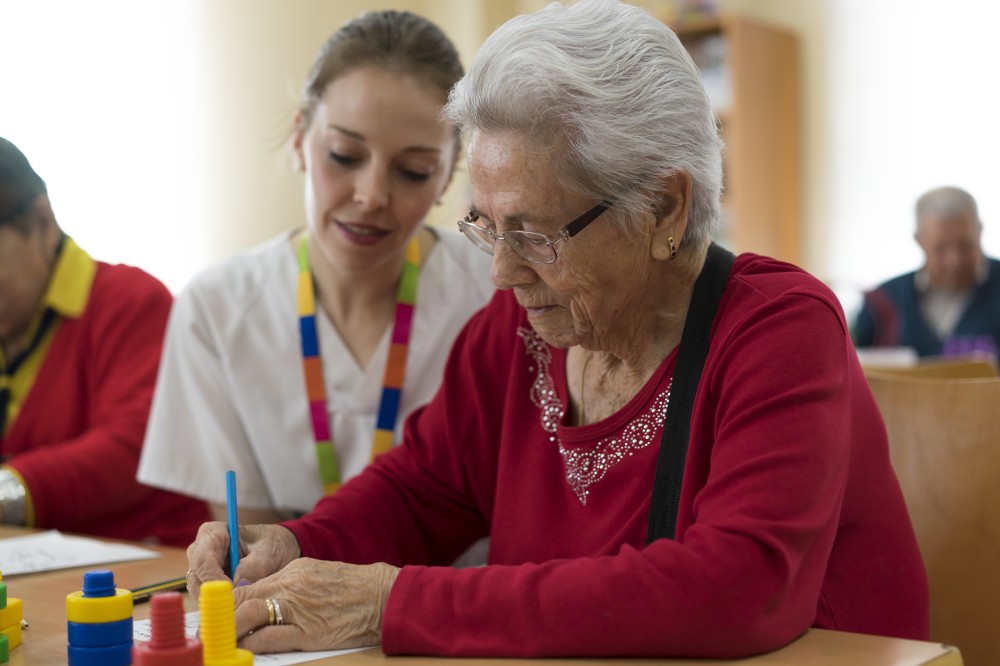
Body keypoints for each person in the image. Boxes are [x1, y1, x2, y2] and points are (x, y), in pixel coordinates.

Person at [186, 0, 929, 658]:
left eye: (536, 235)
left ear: (666, 210)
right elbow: (420, 489)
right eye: (485, 226)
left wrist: (391, 603)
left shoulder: (778, 332)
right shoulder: (521, 334)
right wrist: (295, 543)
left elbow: (732, 589)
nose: (502, 274)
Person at [137, 10, 494, 525]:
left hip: (451, 602)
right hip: (288, 600)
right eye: (344, 155)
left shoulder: (497, 296)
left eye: (413, 171)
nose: (371, 196)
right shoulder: (215, 309)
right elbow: (248, 547)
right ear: (300, 138)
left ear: (448, 176)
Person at [0, 137, 209, 545]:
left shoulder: (130, 300)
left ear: (42, 222)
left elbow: (132, 447)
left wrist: (10, 490)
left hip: (155, 567)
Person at [853, 186, 1000, 358]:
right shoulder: (882, 303)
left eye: (965, 245)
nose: (954, 260)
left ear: (980, 231)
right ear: (919, 241)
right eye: (941, 248)